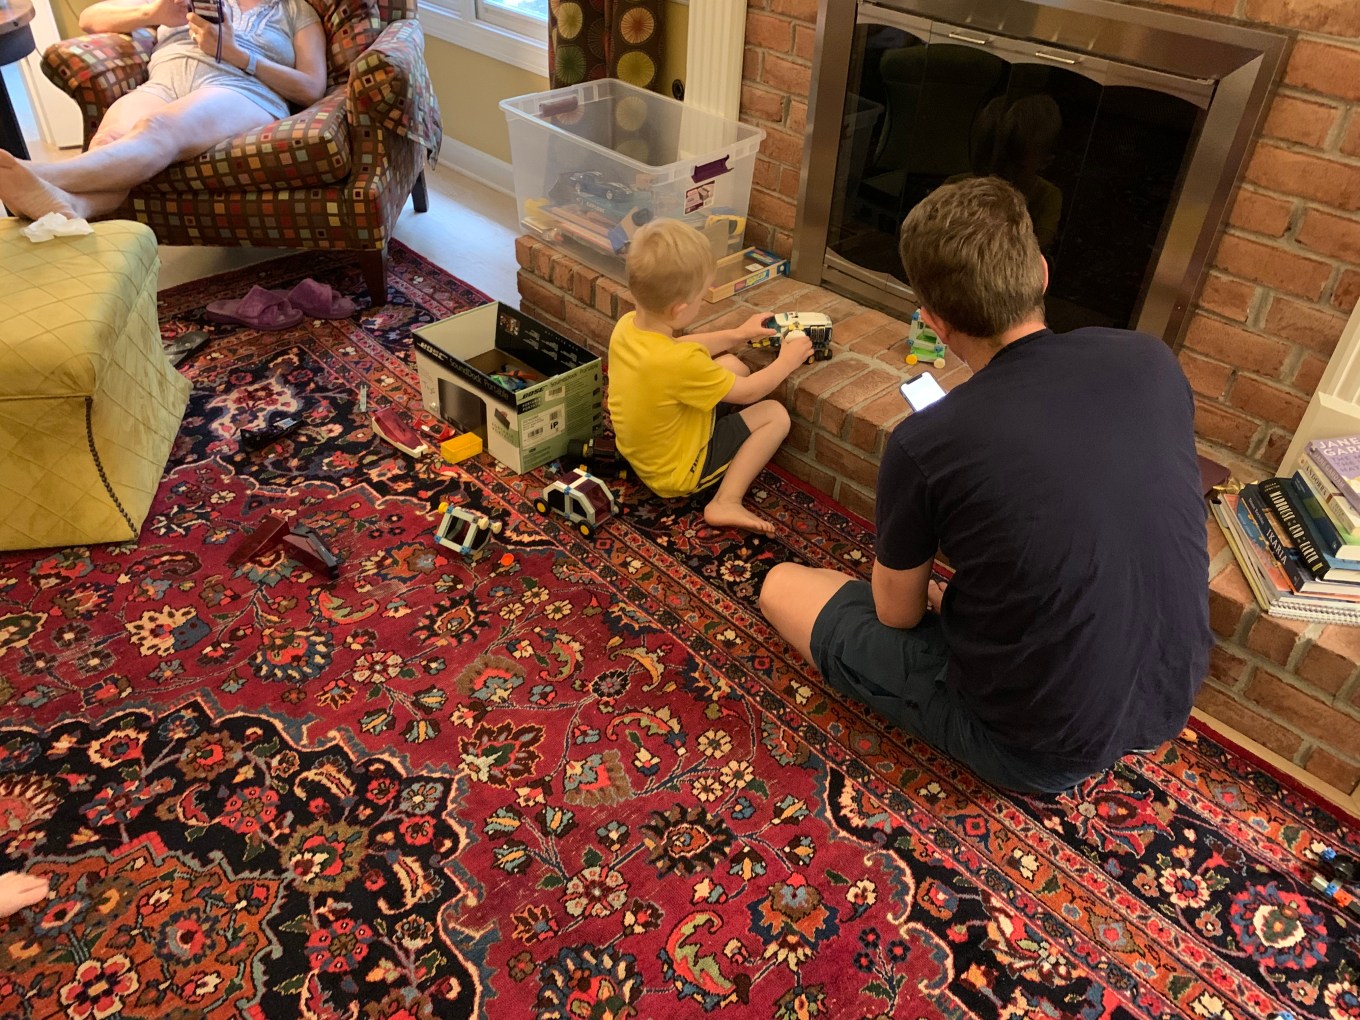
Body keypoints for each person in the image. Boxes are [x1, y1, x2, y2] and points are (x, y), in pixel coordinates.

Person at [759, 176, 1211, 793]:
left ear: (934, 323)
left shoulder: (927, 441)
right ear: (1041, 273)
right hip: (1165, 705)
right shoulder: (1151, 360)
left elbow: (897, 613)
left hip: (1035, 750)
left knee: (783, 587)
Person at [0, 0, 327, 222]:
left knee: (156, 127)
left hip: (240, 89)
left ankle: (41, 174)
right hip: (162, 83)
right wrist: (153, 12)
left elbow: (312, 86)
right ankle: (73, 205)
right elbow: (90, 18)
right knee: (109, 141)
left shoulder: (296, 11)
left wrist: (239, 55)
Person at [608, 218, 813, 536]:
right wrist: (787, 361)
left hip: (645, 450)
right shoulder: (679, 363)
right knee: (774, 414)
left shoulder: (628, 326)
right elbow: (748, 392)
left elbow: (679, 347)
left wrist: (738, 334)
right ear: (680, 310)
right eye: (702, 295)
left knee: (732, 364)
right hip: (676, 472)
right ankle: (725, 501)